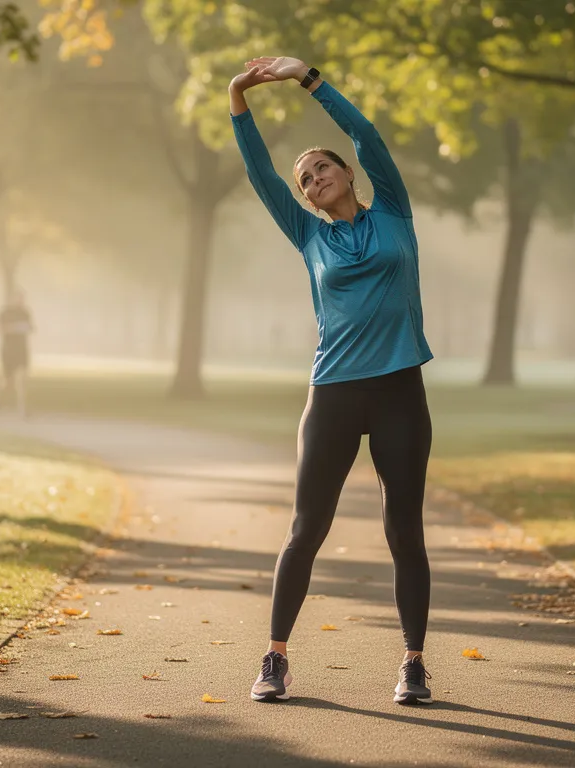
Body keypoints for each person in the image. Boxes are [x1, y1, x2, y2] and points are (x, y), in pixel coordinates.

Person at [230, 56, 435, 706]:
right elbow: (261, 174)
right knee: (306, 528)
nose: (312, 180)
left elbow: (369, 134)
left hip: (401, 390)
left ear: (348, 174)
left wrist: (310, 80)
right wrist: (238, 96)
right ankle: (276, 657)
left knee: (405, 528)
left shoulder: (394, 214)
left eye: (321, 168)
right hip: (335, 395)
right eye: (305, 180)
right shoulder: (308, 237)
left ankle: (413, 664)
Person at [0, 291, 34, 417]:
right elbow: (0, 329)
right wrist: (15, 328)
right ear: (12, 299)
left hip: (22, 350)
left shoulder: (25, 313)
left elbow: (31, 328)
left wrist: (27, 328)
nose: (21, 301)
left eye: (22, 298)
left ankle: (23, 409)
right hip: (8, 350)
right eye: (18, 298)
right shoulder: (5, 313)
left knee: (22, 379)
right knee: (7, 381)